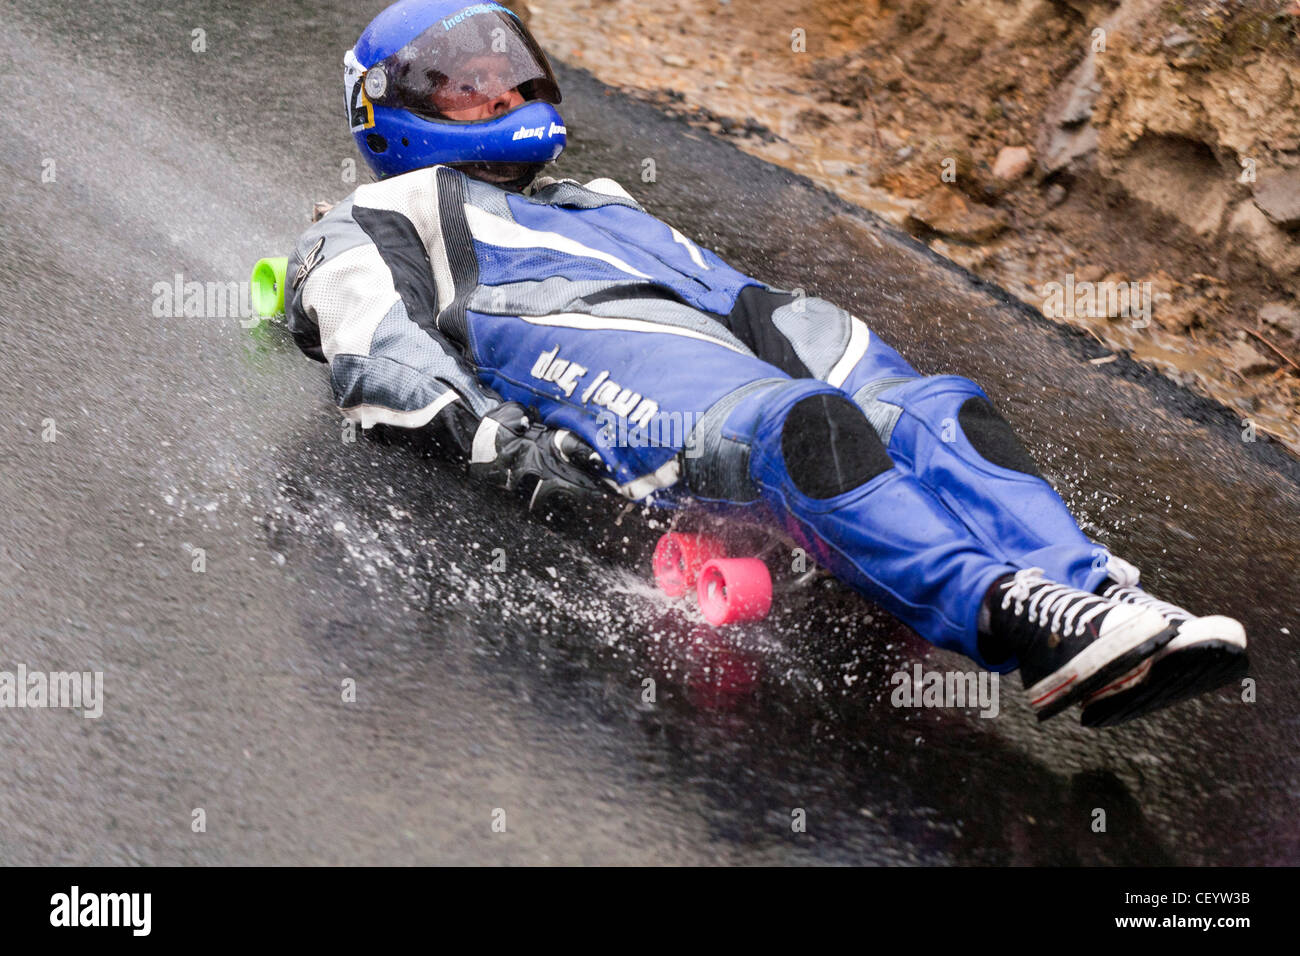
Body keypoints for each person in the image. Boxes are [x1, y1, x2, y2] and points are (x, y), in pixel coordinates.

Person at [285, 0, 1247, 727]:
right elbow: (384, 361)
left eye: (514, 75)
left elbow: (743, 299)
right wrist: (516, 456)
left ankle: (1094, 594)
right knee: (799, 426)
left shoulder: (598, 201)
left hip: (736, 365)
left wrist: (878, 378)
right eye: (465, 84)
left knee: (940, 410)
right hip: (622, 394)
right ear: (395, 109)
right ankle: (1014, 616)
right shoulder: (379, 219)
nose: (503, 95)